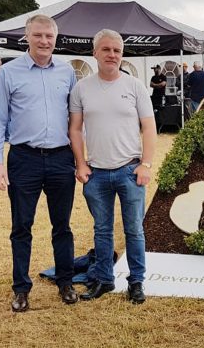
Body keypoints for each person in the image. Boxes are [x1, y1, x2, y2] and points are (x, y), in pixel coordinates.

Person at [0, 14, 79, 313]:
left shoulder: (67, 72)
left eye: (49, 37)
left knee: (62, 225)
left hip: (60, 158)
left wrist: (81, 160)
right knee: (21, 226)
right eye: (38, 35)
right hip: (23, 158)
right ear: (26, 37)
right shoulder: (8, 72)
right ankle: (21, 289)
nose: (44, 41)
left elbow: (76, 120)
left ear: (56, 39)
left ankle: (65, 282)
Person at [68, 29, 156, 304]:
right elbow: (75, 129)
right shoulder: (81, 88)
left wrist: (146, 164)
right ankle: (104, 280)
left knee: (134, 230)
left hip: (129, 171)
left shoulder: (135, 87)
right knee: (102, 230)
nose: (112, 55)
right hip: (95, 173)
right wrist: (80, 164)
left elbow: (149, 127)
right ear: (94, 53)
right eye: (106, 49)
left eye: (117, 50)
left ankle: (137, 281)